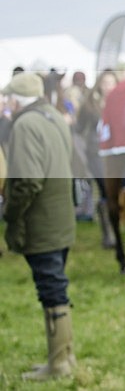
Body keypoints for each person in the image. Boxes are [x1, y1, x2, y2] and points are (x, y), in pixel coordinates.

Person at [1, 72, 77, 380]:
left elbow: (28, 181)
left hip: (42, 222)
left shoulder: (24, 124)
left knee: (51, 289)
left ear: (17, 100)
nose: (7, 102)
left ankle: (58, 364)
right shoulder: (54, 116)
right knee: (55, 286)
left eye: (8, 97)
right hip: (62, 219)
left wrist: (11, 215)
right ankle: (64, 358)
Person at [75, 70, 118, 247]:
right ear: (100, 84)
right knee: (106, 189)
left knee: (113, 192)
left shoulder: (120, 103)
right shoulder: (90, 104)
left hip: (114, 152)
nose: (108, 86)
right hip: (96, 152)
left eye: (111, 82)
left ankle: (113, 229)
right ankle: (108, 234)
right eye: (105, 82)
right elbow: (79, 127)